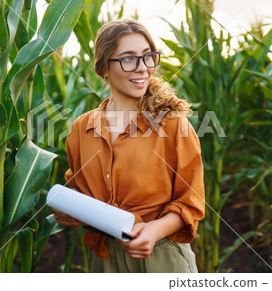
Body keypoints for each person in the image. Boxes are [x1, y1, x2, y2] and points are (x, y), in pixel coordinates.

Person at [53, 19, 205, 273]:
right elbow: (79, 191)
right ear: (103, 68)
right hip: (103, 259)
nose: (142, 68)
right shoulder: (81, 128)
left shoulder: (174, 126)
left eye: (148, 57)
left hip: (161, 256)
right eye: (128, 59)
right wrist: (72, 212)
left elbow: (191, 202)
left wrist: (154, 231)